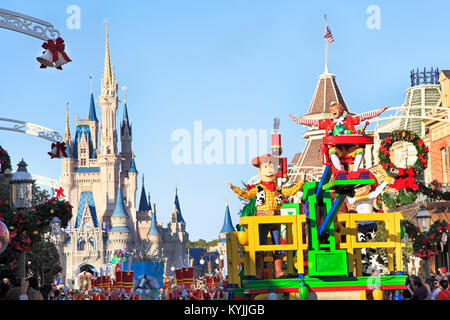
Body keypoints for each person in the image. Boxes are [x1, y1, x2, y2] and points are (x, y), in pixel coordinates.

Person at [226, 154, 305, 279]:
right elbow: (246, 195)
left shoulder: (277, 189)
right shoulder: (258, 189)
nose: (269, 170)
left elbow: (290, 191)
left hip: (275, 220)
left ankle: (278, 271)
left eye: (271, 167)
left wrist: (301, 182)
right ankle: (259, 270)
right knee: (260, 245)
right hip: (261, 221)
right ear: (260, 170)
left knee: (277, 244)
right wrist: (234, 188)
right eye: (265, 167)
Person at [289, 102, 389, 179]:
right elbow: (313, 122)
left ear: (340, 110)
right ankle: (340, 171)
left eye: (335, 109)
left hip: (349, 149)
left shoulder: (349, 120)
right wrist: (298, 120)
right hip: (338, 150)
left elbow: (363, 116)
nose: (332, 111)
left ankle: (355, 171)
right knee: (332, 152)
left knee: (360, 151)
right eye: (331, 110)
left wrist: (378, 112)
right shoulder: (327, 123)